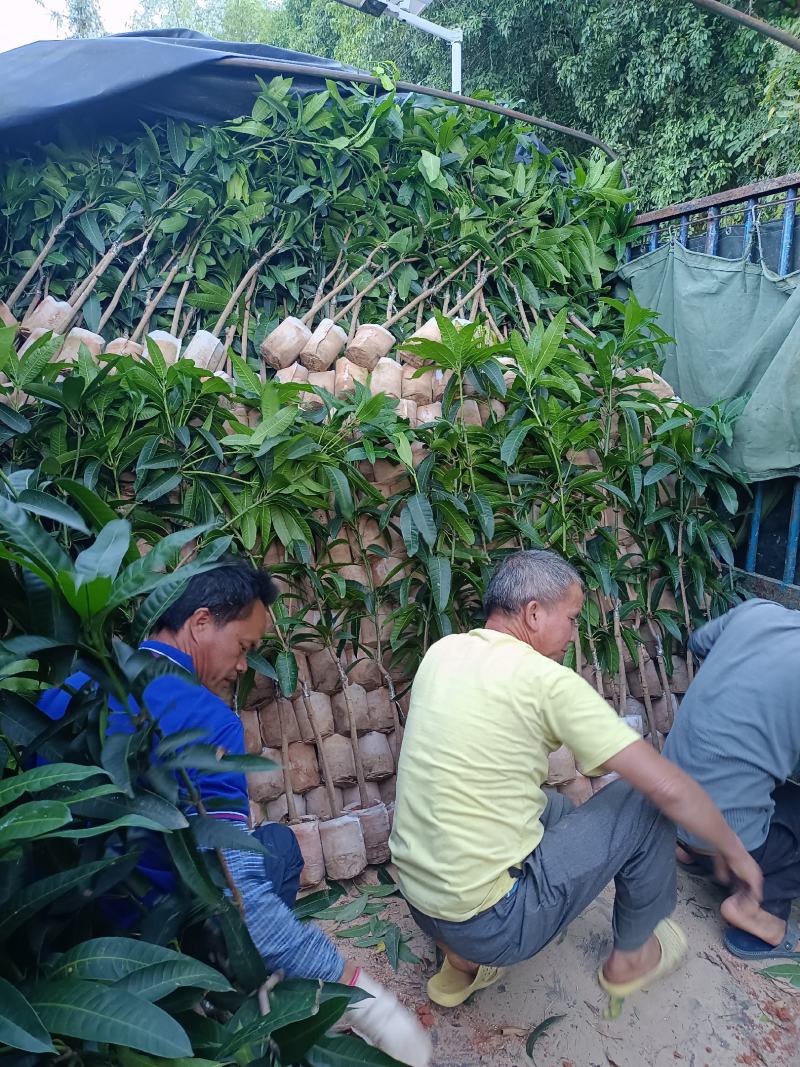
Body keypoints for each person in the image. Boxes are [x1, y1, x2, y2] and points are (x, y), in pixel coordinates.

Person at [39, 558, 431, 1067]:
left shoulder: (66, 692)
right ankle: (237, 993)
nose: (244, 666)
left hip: (69, 928)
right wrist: (362, 996)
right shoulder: (207, 722)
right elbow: (246, 905)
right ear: (200, 623)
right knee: (274, 855)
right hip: (159, 932)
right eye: (243, 647)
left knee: (276, 844)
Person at [389, 550, 763, 1009]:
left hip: (419, 904)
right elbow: (667, 787)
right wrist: (734, 851)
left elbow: (578, 763)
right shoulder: (546, 679)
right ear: (533, 613)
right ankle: (633, 957)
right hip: (494, 924)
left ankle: (460, 959)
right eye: (570, 617)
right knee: (645, 801)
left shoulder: (443, 652)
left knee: (557, 809)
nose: (574, 632)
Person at [663, 597, 800, 961]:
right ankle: (757, 911)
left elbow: (697, 641)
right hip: (727, 841)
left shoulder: (758, 610)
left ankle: (687, 849)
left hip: (664, 806)